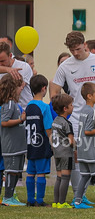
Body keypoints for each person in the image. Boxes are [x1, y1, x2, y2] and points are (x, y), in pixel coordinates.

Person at [22, 75, 52, 206]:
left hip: (30, 144)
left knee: (30, 172)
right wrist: (53, 143)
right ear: (44, 88)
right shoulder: (45, 107)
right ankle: (39, 200)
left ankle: (30, 200)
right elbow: (48, 128)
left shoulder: (28, 106)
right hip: (41, 144)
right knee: (41, 173)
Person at [0, 74, 27, 206]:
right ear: (12, 88)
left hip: (18, 145)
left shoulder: (14, 104)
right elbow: (4, 122)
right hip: (11, 145)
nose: (21, 89)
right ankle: (8, 197)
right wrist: (20, 120)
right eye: (19, 87)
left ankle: (11, 196)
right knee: (11, 171)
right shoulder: (9, 104)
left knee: (16, 171)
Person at [51, 95, 75, 207]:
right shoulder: (67, 123)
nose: (73, 106)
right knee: (65, 177)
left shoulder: (55, 121)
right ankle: (62, 202)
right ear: (65, 109)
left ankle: (56, 202)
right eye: (71, 105)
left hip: (57, 152)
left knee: (59, 177)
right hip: (66, 153)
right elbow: (70, 141)